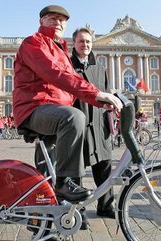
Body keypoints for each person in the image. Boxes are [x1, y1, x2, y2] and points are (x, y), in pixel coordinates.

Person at [13, 5, 122, 203]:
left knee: (47, 170)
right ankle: (64, 182)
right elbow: (56, 74)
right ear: (41, 21)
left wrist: (101, 102)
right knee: (74, 117)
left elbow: (73, 85)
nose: (57, 22)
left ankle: (50, 219)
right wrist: (97, 93)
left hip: (54, 111)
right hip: (35, 108)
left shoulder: (61, 51)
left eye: (61, 20)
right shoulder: (34, 43)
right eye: (51, 18)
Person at [70, 27, 115, 225]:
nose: (85, 45)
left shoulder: (99, 68)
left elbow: (105, 94)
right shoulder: (68, 66)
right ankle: (78, 212)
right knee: (76, 171)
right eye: (81, 41)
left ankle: (106, 205)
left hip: (98, 125)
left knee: (104, 168)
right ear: (74, 43)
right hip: (78, 125)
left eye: (88, 42)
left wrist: (109, 123)